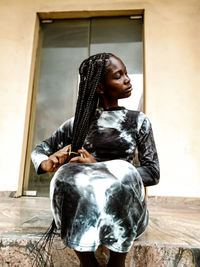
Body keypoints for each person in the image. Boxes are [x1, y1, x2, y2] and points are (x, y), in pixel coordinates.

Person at [31, 53, 160, 267]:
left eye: (126, 74)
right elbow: (40, 150)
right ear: (100, 87)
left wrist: (100, 167)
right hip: (87, 211)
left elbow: (152, 172)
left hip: (125, 213)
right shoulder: (77, 124)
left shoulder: (138, 121)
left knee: (124, 170)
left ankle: (117, 262)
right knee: (65, 174)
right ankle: (87, 262)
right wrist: (47, 162)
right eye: (119, 76)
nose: (127, 79)